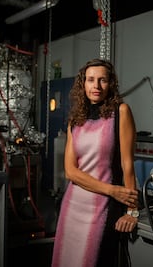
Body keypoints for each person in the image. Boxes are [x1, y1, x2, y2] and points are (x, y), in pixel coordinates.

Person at [51, 58, 139, 267]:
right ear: (83, 84)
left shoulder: (121, 112)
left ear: (111, 84)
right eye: (90, 80)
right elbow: (70, 172)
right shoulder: (76, 120)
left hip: (104, 208)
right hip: (73, 206)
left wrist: (132, 211)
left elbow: (128, 165)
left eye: (102, 80)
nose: (96, 86)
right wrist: (112, 190)